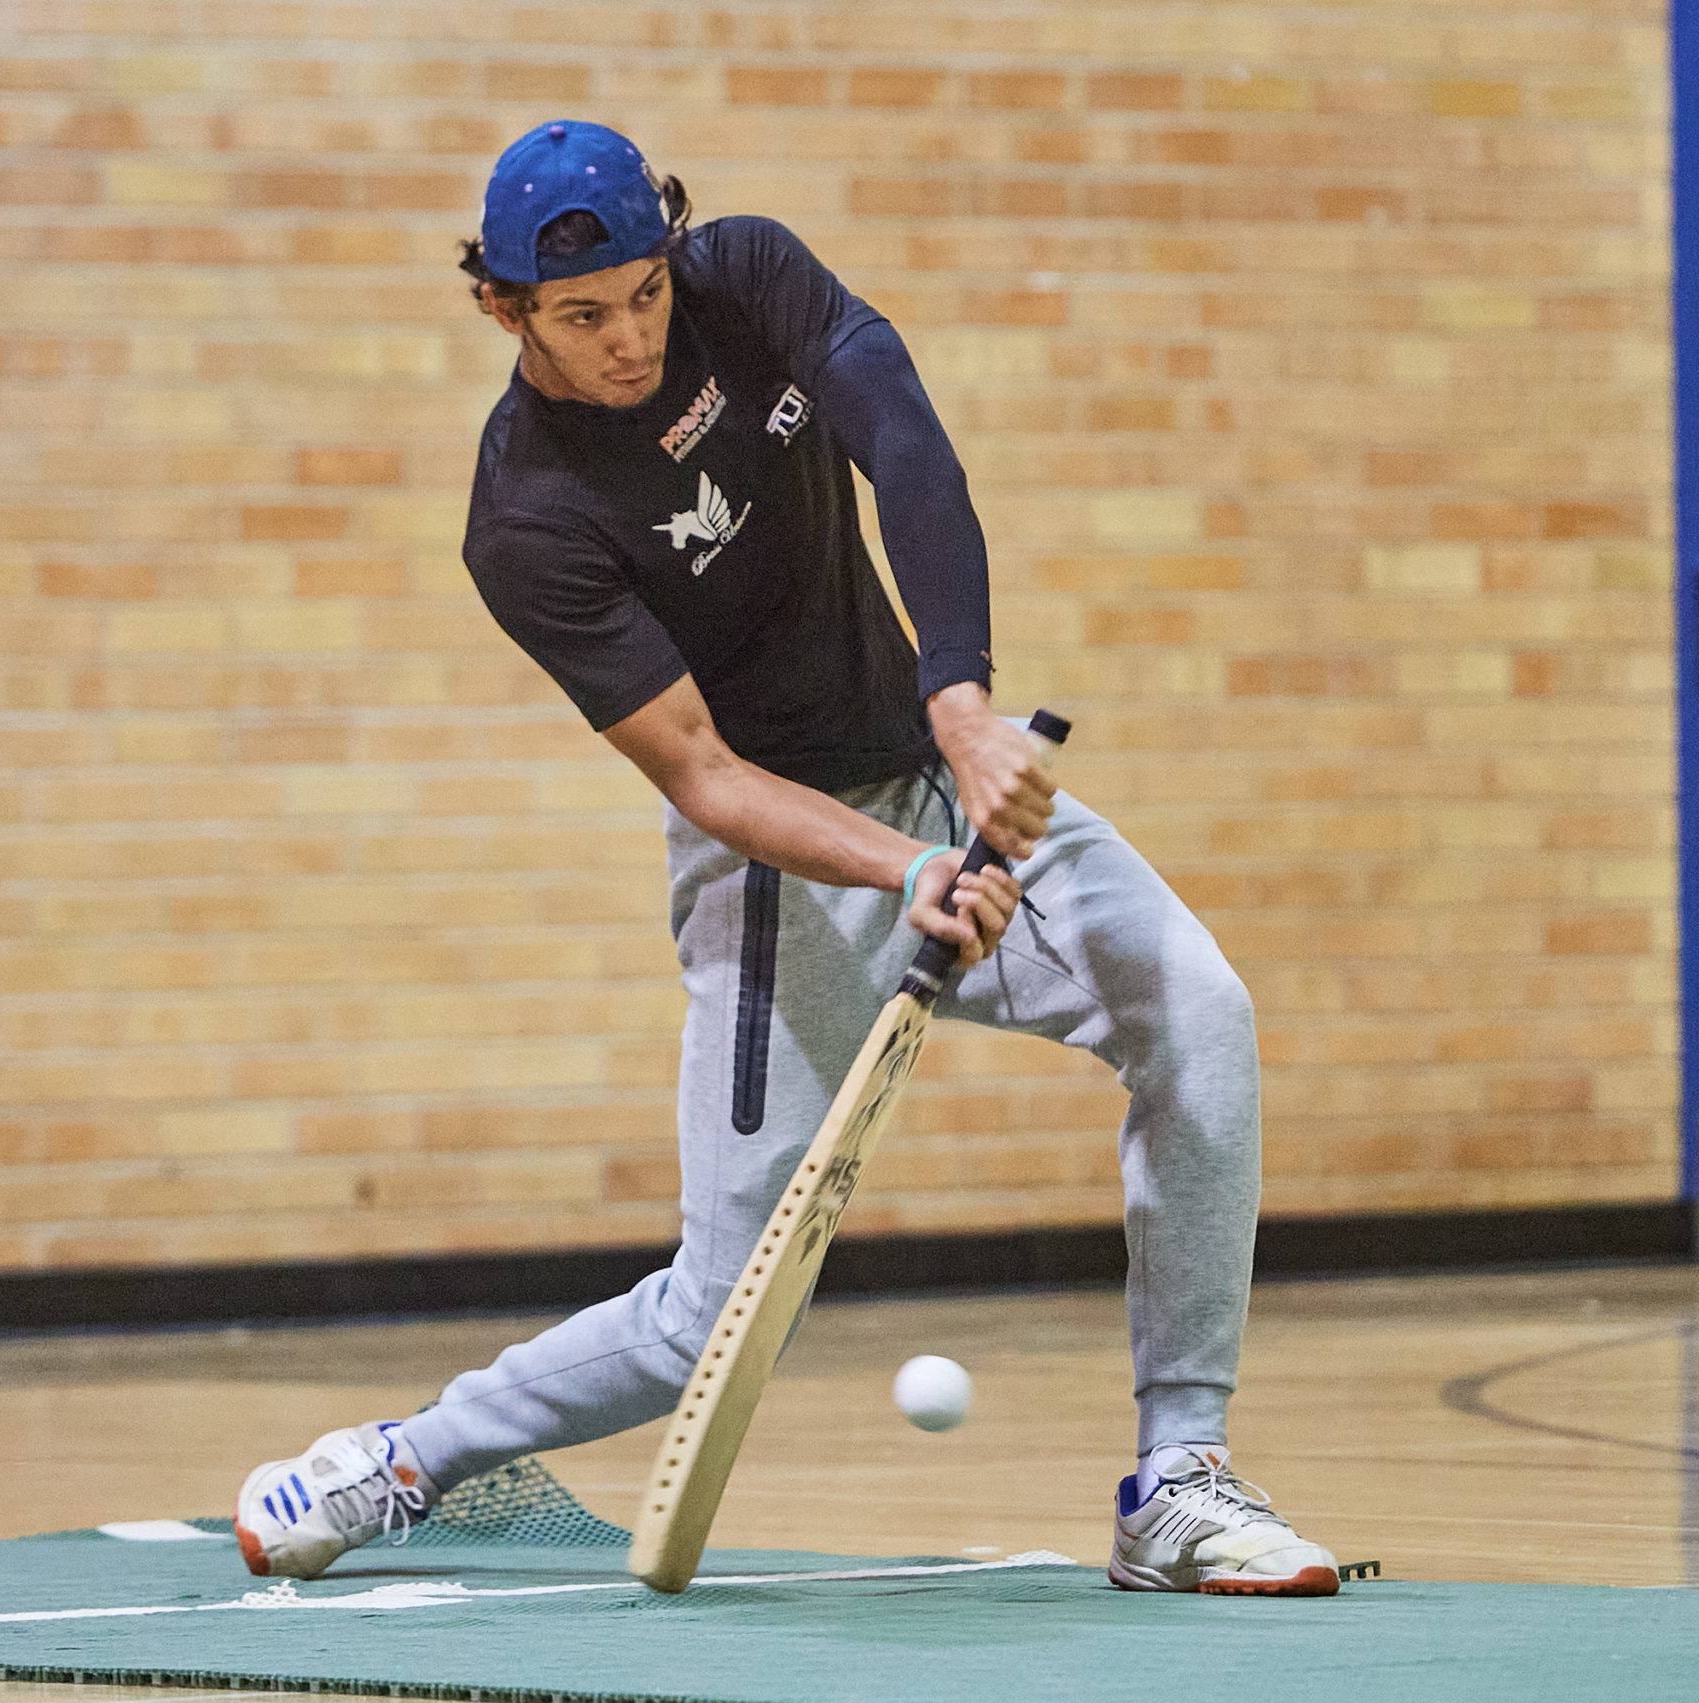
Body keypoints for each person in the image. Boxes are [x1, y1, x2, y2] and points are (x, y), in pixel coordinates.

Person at [232, 121, 1337, 1597]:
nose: (628, 339)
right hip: (779, 869)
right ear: (501, 308)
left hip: (952, 785)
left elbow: (907, 444)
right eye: (581, 315)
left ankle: (1180, 1478)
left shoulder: (745, 279)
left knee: (1198, 1016)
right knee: (716, 1318)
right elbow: (703, 772)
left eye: (643, 295)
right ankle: (408, 1462)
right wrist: (900, 871)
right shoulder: (528, 519)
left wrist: (962, 712)